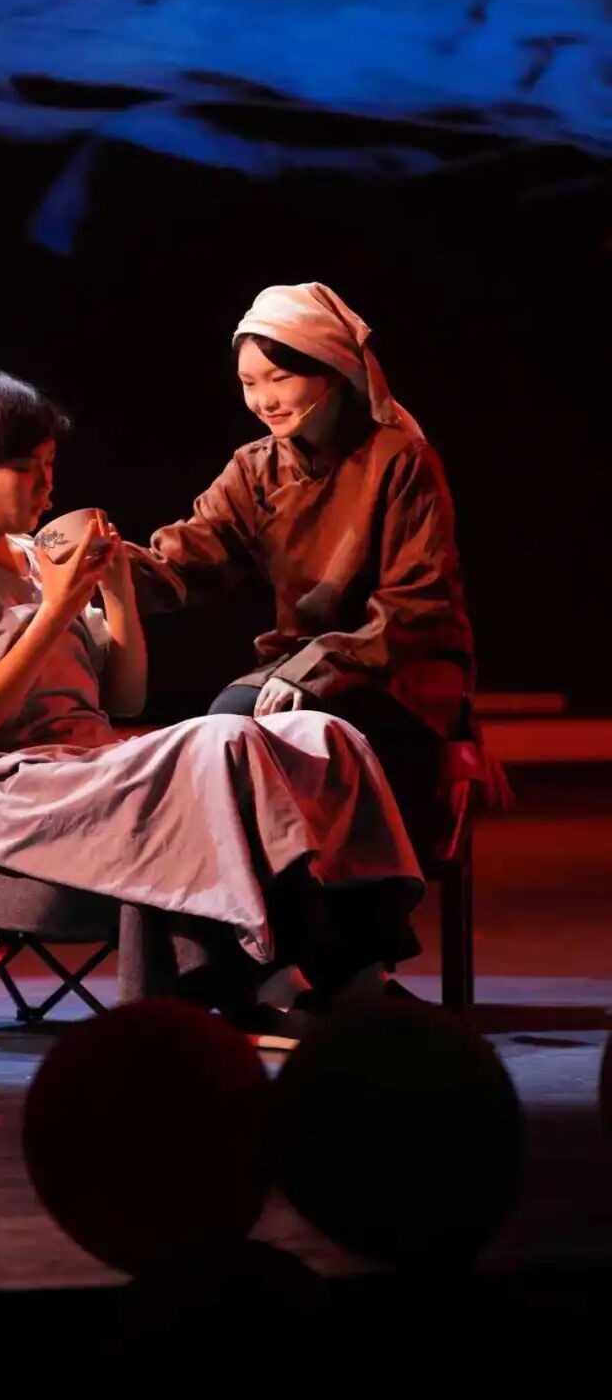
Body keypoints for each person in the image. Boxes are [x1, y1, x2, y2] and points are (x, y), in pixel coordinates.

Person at [0, 368, 423, 1045]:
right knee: (225, 739)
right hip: (4, 784)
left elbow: (125, 698)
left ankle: (363, 966)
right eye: (28, 470)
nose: (48, 487)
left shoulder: (34, 558)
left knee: (317, 732)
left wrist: (115, 592)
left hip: (85, 764)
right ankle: (270, 983)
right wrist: (57, 610)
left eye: (51, 466)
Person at [127, 281, 477, 999]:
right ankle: (278, 966)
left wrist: (317, 669)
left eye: (279, 378)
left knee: (238, 722)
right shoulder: (256, 468)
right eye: (248, 383)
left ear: (333, 371)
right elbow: (187, 558)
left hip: (396, 675)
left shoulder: (400, 458)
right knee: (221, 738)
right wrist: (97, 568)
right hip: (300, 677)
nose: (263, 399)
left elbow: (414, 605)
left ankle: (339, 966)